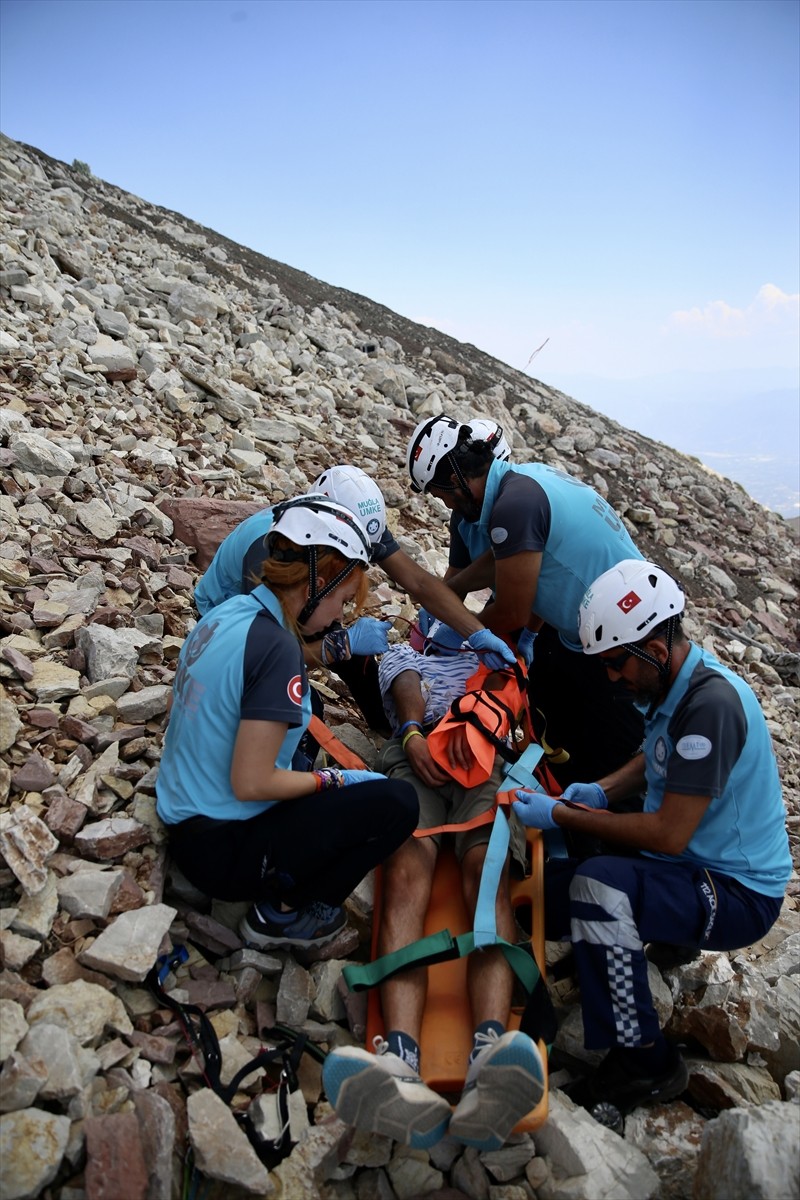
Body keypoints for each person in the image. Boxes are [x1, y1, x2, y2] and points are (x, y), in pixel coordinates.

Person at [511, 560, 792, 1117]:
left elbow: (666, 834)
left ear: (655, 653)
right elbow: (655, 758)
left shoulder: (711, 706)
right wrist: (599, 790)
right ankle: (649, 941)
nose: (611, 679)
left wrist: (566, 815)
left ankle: (645, 1061)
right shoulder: (682, 686)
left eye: (616, 666)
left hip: (738, 891)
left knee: (596, 889)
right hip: (696, 862)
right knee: (549, 896)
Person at [156, 495, 419, 951]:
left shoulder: (230, 613)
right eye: (340, 599)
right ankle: (284, 916)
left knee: (308, 708)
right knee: (397, 802)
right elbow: (253, 782)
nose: (339, 615)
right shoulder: (278, 649)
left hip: (184, 816)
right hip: (222, 851)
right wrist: (329, 781)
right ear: (317, 582)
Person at [322, 617, 544, 1151]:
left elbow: (517, 696)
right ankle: (399, 1058)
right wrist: (416, 733)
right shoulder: (406, 655)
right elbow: (405, 693)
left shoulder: (497, 659)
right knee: (405, 874)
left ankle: (490, 1057)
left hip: (485, 765)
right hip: (414, 756)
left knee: (484, 874)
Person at [406, 415, 647, 790]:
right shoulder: (523, 480)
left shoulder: (514, 507)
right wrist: (449, 601)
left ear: (454, 480)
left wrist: (466, 634)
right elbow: (512, 564)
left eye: (441, 495)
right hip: (607, 627)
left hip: (624, 642)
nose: (446, 505)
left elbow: (513, 611)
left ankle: (595, 832)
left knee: (612, 755)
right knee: (575, 738)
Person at [194, 463, 516, 732]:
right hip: (229, 625)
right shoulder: (271, 548)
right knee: (308, 700)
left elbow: (417, 581)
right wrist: (338, 644)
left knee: (353, 650)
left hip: (296, 603)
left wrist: (476, 633)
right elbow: (261, 653)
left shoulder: (351, 525)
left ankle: (389, 728)